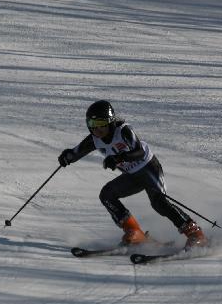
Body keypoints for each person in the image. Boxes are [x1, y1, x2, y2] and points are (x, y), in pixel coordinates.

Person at [58, 100, 207, 249]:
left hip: (149, 168)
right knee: (107, 195)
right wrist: (67, 157)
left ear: (110, 122)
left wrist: (118, 158)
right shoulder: (94, 140)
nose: (97, 129)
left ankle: (196, 234)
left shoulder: (123, 131)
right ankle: (134, 232)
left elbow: (139, 152)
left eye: (101, 124)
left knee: (159, 203)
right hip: (132, 176)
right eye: (92, 124)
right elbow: (76, 152)